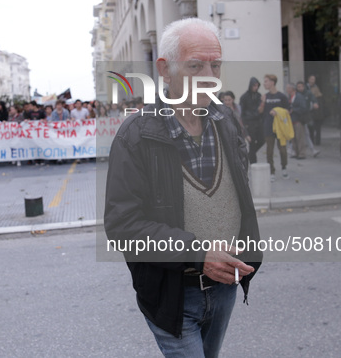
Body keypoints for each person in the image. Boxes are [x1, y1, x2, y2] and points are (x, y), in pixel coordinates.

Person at [104, 18, 262, 357]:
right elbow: (122, 226)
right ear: (164, 68)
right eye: (195, 65)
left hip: (225, 287)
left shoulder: (227, 121)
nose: (209, 74)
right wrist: (199, 253)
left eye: (215, 64)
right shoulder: (136, 135)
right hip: (171, 293)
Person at [259, 74, 290, 181]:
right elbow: (260, 111)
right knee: (269, 151)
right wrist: (263, 102)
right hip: (268, 126)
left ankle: (284, 167)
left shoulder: (282, 96)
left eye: (266, 81)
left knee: (282, 149)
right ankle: (271, 171)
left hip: (280, 127)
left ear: (272, 82)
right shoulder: (265, 96)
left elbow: (288, 110)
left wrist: (277, 111)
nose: (264, 83)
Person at [240, 78, 264, 164]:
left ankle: (250, 155)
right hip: (249, 122)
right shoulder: (244, 97)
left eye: (257, 85)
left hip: (258, 121)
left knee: (262, 140)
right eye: (254, 85)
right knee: (252, 142)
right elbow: (242, 112)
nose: (256, 87)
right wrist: (244, 124)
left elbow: (261, 109)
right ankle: (253, 162)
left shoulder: (259, 96)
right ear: (250, 85)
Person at [296, 81, 320, 158]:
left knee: (306, 133)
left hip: (304, 116)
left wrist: (315, 103)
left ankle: (312, 149)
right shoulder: (296, 94)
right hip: (296, 116)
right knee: (296, 134)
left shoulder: (308, 93)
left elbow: (313, 99)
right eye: (298, 87)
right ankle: (293, 149)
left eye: (301, 86)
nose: (300, 88)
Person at [287, 83, 308, 159]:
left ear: (292, 89)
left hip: (298, 120)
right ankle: (296, 152)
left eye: (288, 88)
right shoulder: (290, 97)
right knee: (293, 138)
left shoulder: (299, 97)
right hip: (291, 120)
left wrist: (294, 110)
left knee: (300, 137)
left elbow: (303, 108)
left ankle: (302, 153)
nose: (287, 90)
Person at [307, 75, 325, 145]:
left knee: (317, 128)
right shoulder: (307, 88)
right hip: (311, 112)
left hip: (317, 113)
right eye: (311, 79)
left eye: (314, 79)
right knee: (311, 127)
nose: (312, 80)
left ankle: (317, 141)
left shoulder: (318, 93)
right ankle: (312, 140)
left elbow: (321, 104)